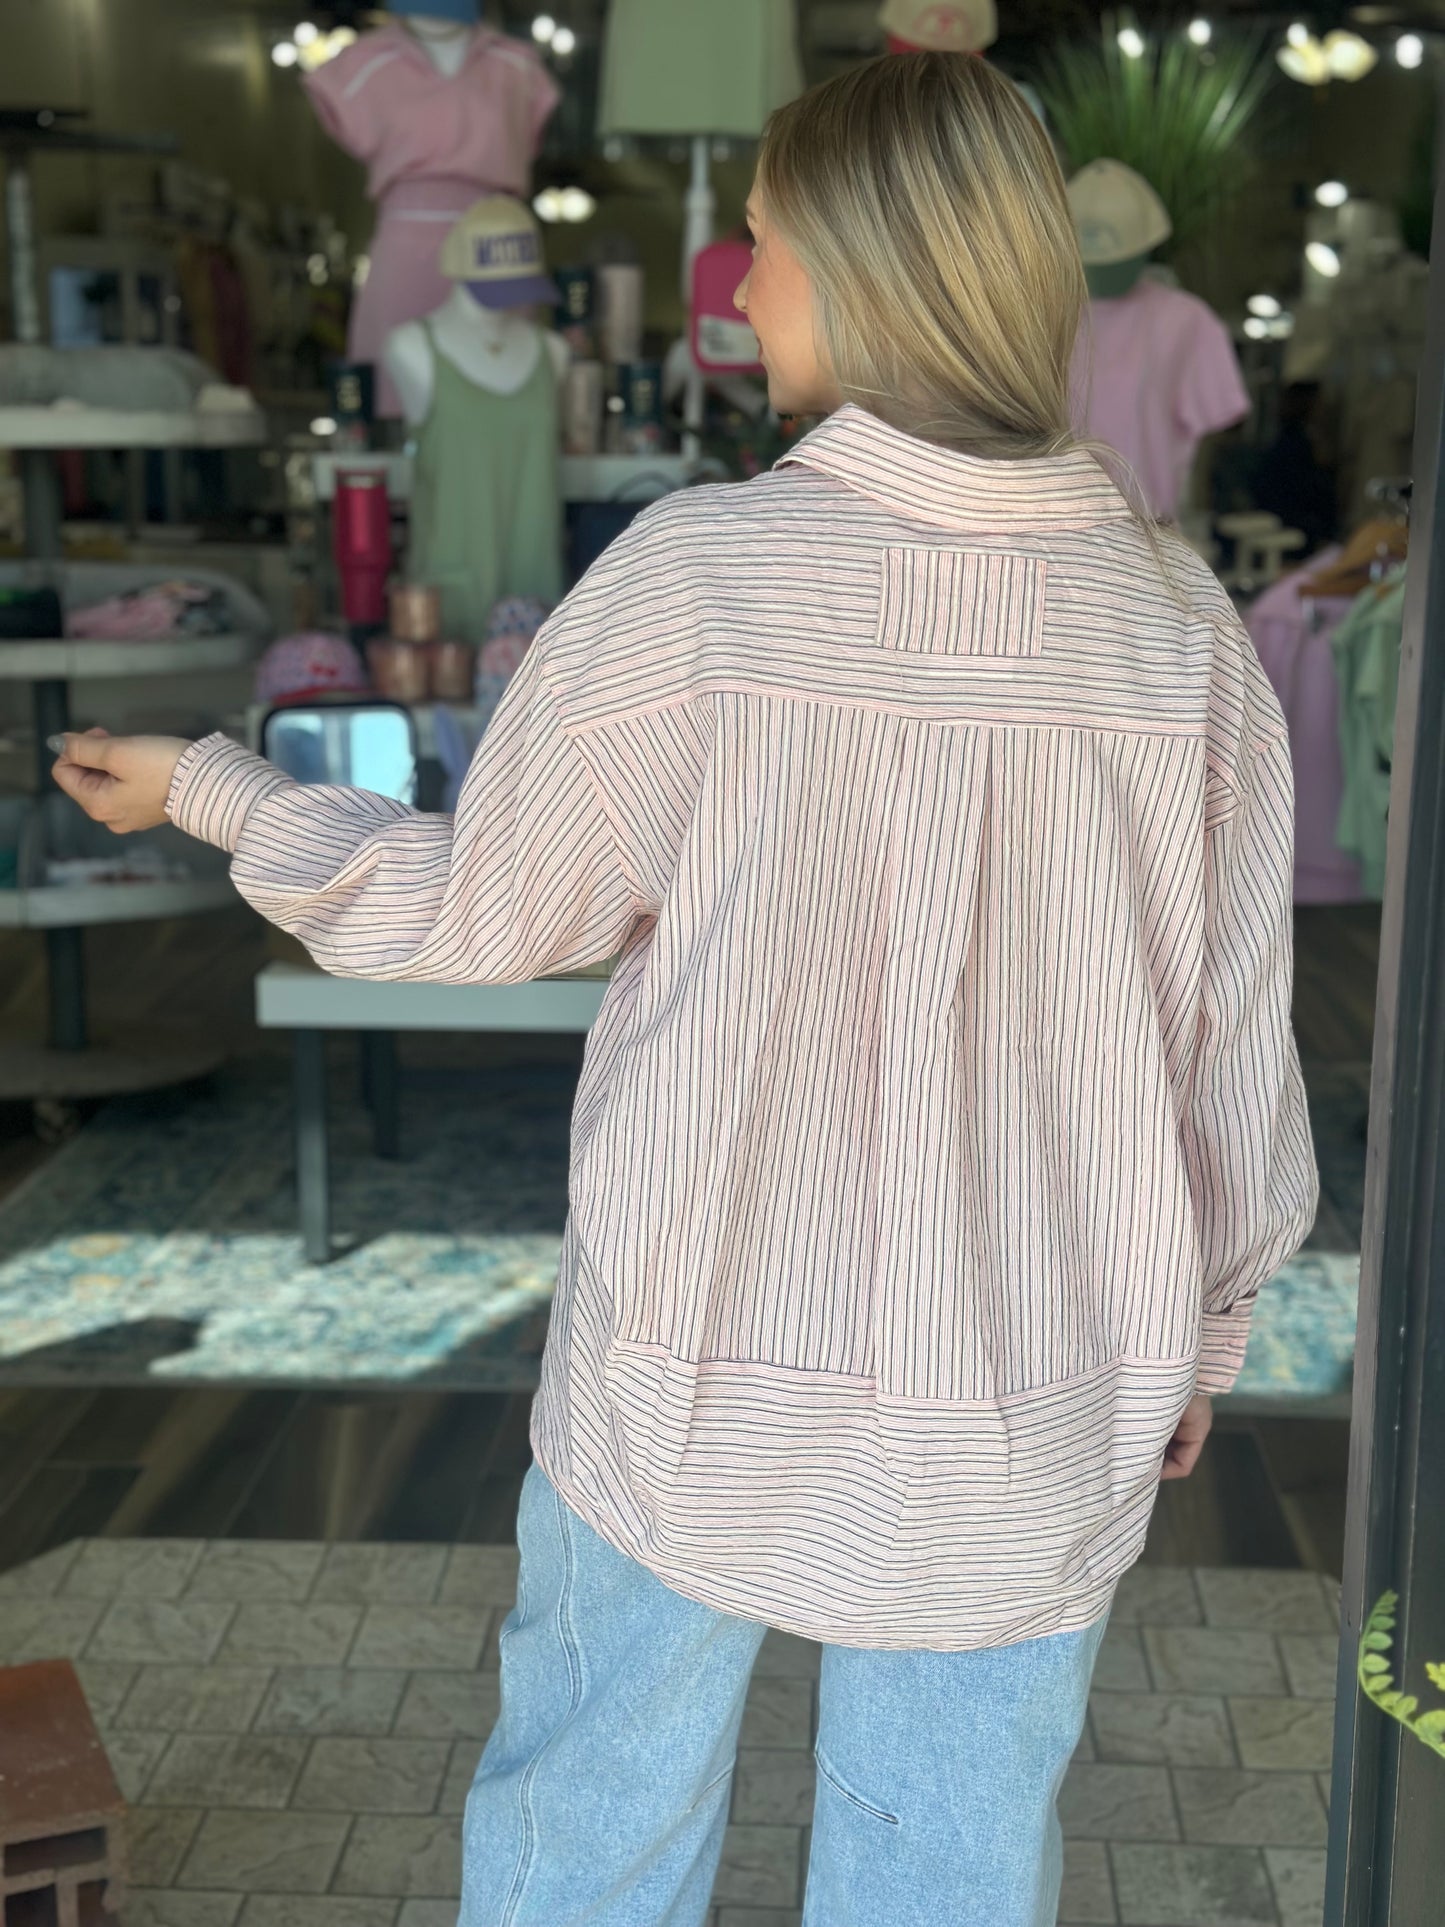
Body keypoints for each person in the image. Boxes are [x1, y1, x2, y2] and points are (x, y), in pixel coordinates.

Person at [53, 53, 1318, 1927]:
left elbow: (486, 909)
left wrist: (219, 790)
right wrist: (1201, 1326)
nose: (740, 281)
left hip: (697, 1336)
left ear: (869, 272)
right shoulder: (1175, 621)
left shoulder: (702, 579)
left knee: (594, 1823)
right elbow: (1227, 1038)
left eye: (767, 242)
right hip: (1037, 1357)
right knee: (950, 1867)